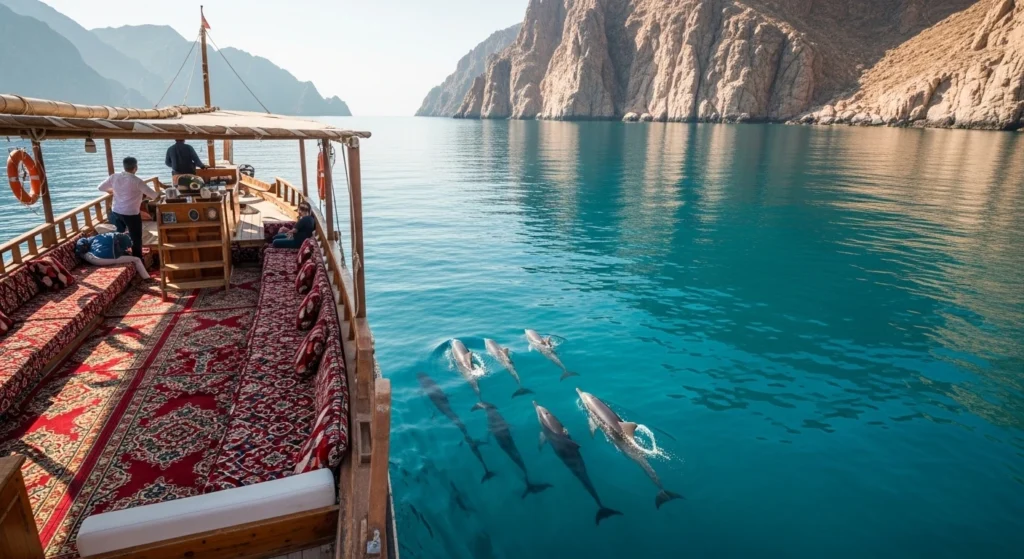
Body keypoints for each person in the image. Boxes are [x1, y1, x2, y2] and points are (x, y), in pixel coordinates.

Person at [98, 157, 158, 258]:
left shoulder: (114, 177)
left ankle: (121, 254)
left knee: (119, 234)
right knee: (136, 237)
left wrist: (113, 191)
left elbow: (100, 187)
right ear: (136, 167)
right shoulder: (137, 181)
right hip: (131, 213)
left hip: (116, 211)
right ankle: (138, 258)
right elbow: (154, 195)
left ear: (124, 166)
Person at [75, 232, 150, 279]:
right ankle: (147, 278)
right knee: (136, 259)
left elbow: (81, 241)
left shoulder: (99, 236)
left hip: (95, 259)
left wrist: (80, 250)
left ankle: (81, 256)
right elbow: (123, 250)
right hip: (113, 258)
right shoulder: (124, 240)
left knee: (85, 254)